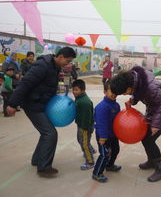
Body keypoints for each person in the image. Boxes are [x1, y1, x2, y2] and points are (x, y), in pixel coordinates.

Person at [6, 47, 76, 177]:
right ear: (60, 56)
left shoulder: (55, 67)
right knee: (50, 133)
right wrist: (12, 104)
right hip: (32, 104)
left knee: (46, 132)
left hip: (40, 103)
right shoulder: (43, 65)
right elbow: (26, 83)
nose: (68, 63)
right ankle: (43, 167)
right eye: (67, 60)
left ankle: (37, 159)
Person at [110, 66, 161, 182]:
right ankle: (152, 161)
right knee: (146, 138)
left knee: (149, 140)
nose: (126, 95)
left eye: (124, 93)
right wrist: (132, 101)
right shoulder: (138, 81)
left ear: (129, 87)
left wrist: (156, 125)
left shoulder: (151, 87)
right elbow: (138, 93)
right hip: (154, 112)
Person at [92, 81, 121, 183]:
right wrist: (103, 138)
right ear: (105, 92)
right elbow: (101, 124)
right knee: (105, 154)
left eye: (115, 91)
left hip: (113, 134)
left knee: (116, 150)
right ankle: (97, 173)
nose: (114, 93)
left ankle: (109, 165)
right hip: (103, 136)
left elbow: (120, 120)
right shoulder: (102, 107)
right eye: (111, 91)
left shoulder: (116, 105)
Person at [72, 79, 96, 170]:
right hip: (80, 124)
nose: (74, 92)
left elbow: (88, 117)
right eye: (73, 89)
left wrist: (86, 129)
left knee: (84, 144)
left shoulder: (84, 102)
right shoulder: (79, 98)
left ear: (83, 90)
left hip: (85, 127)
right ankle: (91, 150)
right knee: (80, 140)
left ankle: (90, 162)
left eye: (76, 90)